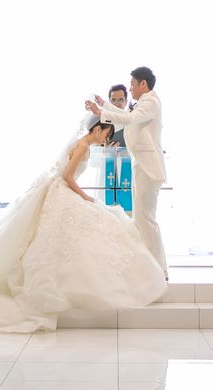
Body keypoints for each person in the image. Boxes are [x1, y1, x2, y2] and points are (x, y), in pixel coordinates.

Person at [0, 115, 167, 333]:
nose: (105, 139)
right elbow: (68, 176)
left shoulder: (83, 144)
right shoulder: (83, 145)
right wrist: (84, 197)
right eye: (105, 134)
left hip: (61, 189)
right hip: (63, 189)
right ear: (97, 129)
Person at [86, 66, 168, 279]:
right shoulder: (145, 103)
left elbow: (130, 119)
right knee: (141, 220)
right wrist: (103, 105)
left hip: (149, 169)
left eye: (132, 84)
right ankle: (151, 267)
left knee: (146, 220)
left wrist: (100, 112)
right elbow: (128, 116)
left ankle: (159, 270)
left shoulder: (150, 102)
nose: (130, 88)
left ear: (143, 84)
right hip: (141, 167)